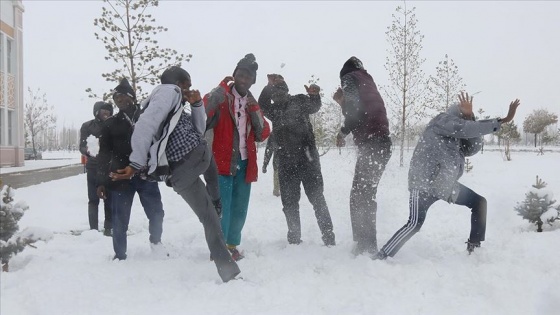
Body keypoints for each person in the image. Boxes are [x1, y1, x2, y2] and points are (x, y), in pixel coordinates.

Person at [112, 66, 240, 282]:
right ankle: (227, 269)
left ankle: (215, 204)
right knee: (210, 215)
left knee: (210, 211)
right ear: (177, 83)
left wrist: (197, 104)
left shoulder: (176, 107)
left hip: (189, 165)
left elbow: (199, 130)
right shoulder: (168, 91)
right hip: (188, 164)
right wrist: (135, 162)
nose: (188, 90)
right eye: (187, 85)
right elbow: (145, 125)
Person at [376, 92, 520, 258]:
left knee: (479, 203)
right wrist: (501, 120)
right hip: (423, 183)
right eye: (463, 115)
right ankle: (383, 255)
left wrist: (470, 118)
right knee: (414, 224)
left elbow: (472, 148)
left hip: (444, 185)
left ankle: (474, 249)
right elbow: (465, 128)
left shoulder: (456, 137)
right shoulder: (441, 120)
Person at [203, 53, 270, 260]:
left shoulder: (251, 102)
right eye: (240, 74)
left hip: (245, 162)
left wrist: (254, 107)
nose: (243, 79)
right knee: (221, 207)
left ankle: (231, 245)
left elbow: (263, 133)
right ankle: (218, 248)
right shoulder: (221, 97)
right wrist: (221, 87)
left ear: (253, 81)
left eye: (248, 77)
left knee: (240, 208)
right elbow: (204, 112)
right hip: (220, 162)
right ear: (234, 75)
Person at [259, 74, 335, 246]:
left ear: (287, 92)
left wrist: (314, 94)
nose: (277, 96)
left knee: (317, 198)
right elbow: (261, 104)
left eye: (280, 92)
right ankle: (294, 237)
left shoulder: (300, 101)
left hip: (307, 159)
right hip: (286, 162)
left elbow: (315, 106)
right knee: (289, 202)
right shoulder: (273, 110)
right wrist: (268, 86)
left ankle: (329, 236)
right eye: (274, 94)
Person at [96, 78, 166, 261]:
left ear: (132, 97)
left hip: (145, 175)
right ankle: (120, 255)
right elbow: (103, 154)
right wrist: (101, 181)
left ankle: (156, 242)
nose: (119, 99)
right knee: (120, 219)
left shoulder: (147, 117)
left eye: (123, 96)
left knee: (156, 213)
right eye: (116, 97)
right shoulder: (110, 124)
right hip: (120, 177)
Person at [333, 56, 392, 256]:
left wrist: (342, 132)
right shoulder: (367, 80)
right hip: (382, 143)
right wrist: (344, 102)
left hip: (373, 143)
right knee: (365, 194)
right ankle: (365, 243)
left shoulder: (349, 78)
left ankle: (365, 246)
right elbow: (361, 110)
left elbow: (355, 112)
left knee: (360, 196)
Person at [79, 101, 113, 235]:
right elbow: (81, 146)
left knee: (109, 199)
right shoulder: (87, 126)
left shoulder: (113, 125)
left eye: (108, 110)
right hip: (93, 167)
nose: (106, 113)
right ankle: (93, 229)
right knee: (93, 199)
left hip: (109, 167)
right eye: (103, 110)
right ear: (96, 111)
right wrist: (88, 151)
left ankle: (108, 228)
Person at [262, 131, 280, 197]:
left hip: (285, 163)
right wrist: (265, 164)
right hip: (280, 163)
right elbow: (269, 150)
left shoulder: (274, 133)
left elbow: (268, 150)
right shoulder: (274, 133)